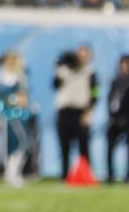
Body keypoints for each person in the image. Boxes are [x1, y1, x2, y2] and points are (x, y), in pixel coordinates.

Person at [54, 45, 97, 180]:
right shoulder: (63, 70)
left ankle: (86, 176)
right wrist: (59, 68)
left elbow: (95, 93)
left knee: (84, 147)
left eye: (85, 55)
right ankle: (65, 176)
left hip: (81, 112)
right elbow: (55, 85)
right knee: (64, 147)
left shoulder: (90, 72)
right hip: (64, 111)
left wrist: (88, 112)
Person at [0, 52, 31, 187]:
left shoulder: (21, 75)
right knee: (18, 142)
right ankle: (11, 172)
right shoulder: (7, 75)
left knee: (22, 143)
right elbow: (4, 92)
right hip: (11, 113)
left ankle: (15, 172)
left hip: (21, 113)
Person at [107, 55, 129, 183]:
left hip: (128, 120)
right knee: (110, 146)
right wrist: (111, 116)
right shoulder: (115, 81)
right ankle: (110, 175)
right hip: (115, 120)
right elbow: (110, 100)